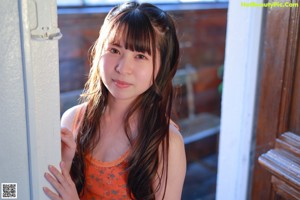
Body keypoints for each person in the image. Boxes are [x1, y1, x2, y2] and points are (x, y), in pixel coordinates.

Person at [43, 2, 186, 200]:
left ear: (162, 67)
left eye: (140, 56)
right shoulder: (73, 121)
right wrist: (64, 165)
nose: (122, 68)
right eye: (115, 50)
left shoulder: (166, 142)